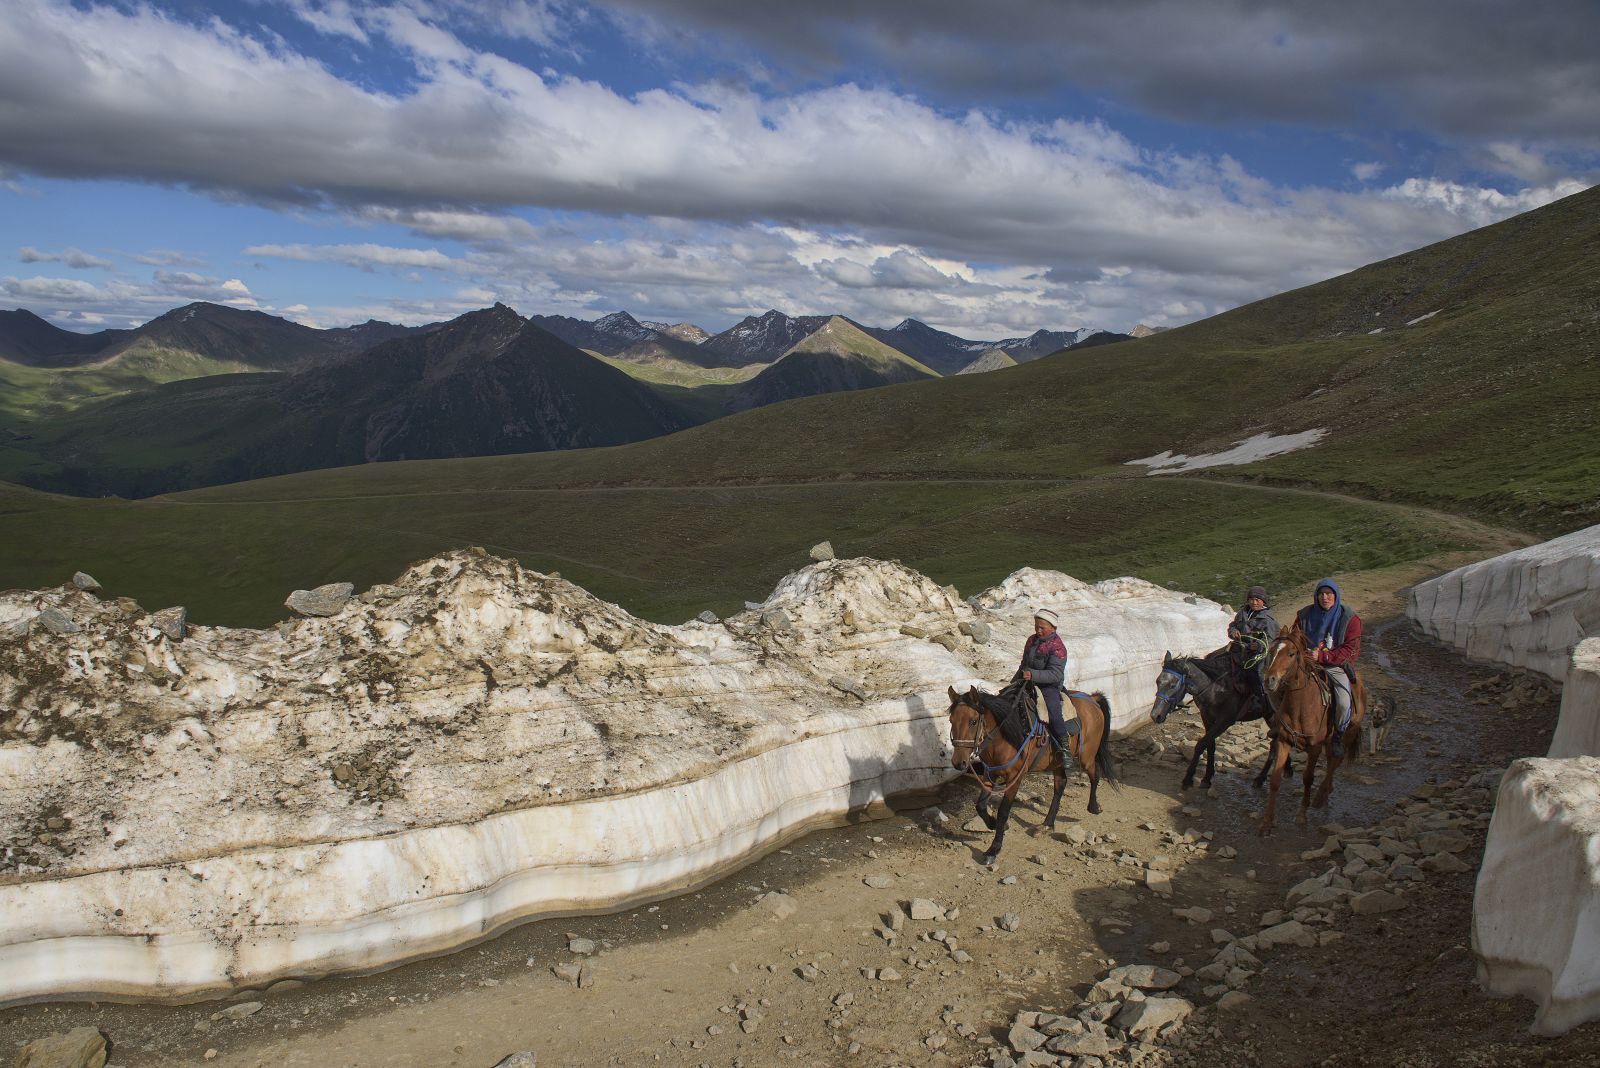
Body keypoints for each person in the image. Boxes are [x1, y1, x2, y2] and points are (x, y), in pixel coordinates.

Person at [1294, 579, 1361, 757]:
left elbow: (1351, 649)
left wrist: (1324, 656)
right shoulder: (1304, 614)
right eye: (1321, 594)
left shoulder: (1350, 618)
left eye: (1329, 594)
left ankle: (1338, 734)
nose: (1325, 597)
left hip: (1335, 665)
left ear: (1336, 595)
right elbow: (1295, 638)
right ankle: (1283, 727)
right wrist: (1304, 654)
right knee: (1280, 686)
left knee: (1343, 701)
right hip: (1307, 662)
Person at [1015, 608, 1079, 757]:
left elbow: (1055, 674)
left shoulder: (1058, 647)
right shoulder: (1031, 641)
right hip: (1028, 682)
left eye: (1042, 628)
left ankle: (1064, 748)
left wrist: (1033, 675)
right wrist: (1014, 683)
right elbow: (1023, 665)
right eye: (1036, 626)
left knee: (1053, 711)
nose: (1038, 630)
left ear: (1053, 628)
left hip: (1049, 686)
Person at [1227, 585, 1280, 701]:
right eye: (1251, 599)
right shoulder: (1242, 613)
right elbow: (1233, 626)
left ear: (1263, 601)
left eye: (1257, 600)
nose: (1254, 602)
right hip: (1239, 649)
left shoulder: (1268, 620)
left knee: (1256, 672)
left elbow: (1272, 639)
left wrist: (1260, 646)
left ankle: (1262, 698)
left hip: (1258, 654)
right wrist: (1233, 631)